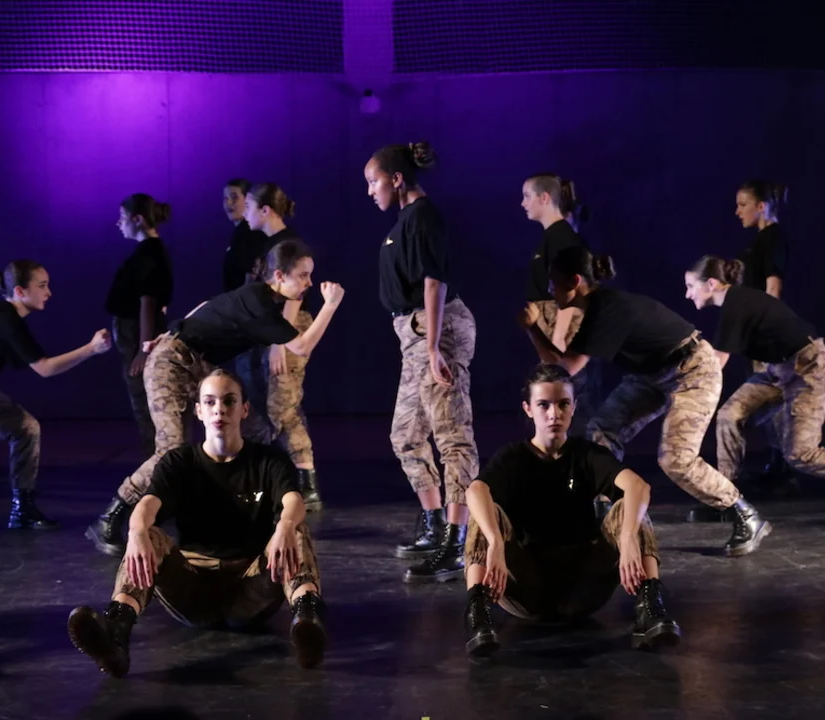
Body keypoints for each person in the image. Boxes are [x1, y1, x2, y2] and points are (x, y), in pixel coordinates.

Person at [86, 240, 344, 556]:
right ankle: (111, 515)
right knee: (171, 449)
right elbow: (302, 346)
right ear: (279, 275)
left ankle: (246, 504)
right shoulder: (259, 300)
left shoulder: (261, 300)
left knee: (246, 430)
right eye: (303, 275)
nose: (309, 283)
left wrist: (174, 330)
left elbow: (209, 305)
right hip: (172, 364)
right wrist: (330, 305)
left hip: (198, 366)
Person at [67, 370, 327, 676]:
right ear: (199, 411)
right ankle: (116, 634)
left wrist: (284, 525)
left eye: (229, 401)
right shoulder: (178, 462)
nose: (219, 410)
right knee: (148, 534)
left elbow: (293, 500)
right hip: (193, 590)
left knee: (294, 528)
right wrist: (136, 532)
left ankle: (308, 622)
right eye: (210, 402)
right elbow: (147, 505)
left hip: (251, 588)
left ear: (244, 409)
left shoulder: (268, 460)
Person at [518, 246, 767, 556]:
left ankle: (743, 512)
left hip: (693, 370)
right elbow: (561, 364)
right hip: (652, 375)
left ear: (575, 281)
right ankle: (606, 514)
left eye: (554, 282)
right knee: (602, 430)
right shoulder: (595, 309)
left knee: (676, 458)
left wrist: (532, 328)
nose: (550, 289)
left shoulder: (607, 308)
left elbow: (563, 369)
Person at [462, 364, 681, 657]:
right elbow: (475, 491)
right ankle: (478, 615)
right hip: (527, 590)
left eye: (563, 404)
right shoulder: (513, 457)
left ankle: (650, 607)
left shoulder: (586, 454)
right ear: (528, 409)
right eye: (544, 405)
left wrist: (628, 537)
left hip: (583, 589)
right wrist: (496, 543)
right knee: (483, 512)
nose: (554, 414)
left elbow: (638, 486)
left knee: (630, 508)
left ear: (574, 407)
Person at [365, 141, 479, 581]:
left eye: (374, 181)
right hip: (413, 335)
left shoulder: (424, 216)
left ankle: (458, 540)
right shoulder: (405, 220)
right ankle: (435, 526)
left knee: (452, 435)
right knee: (406, 435)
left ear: (396, 179)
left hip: (436, 330)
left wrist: (433, 347)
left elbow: (435, 283)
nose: (370, 190)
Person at [684, 256, 825, 491]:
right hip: (777, 371)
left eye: (691, 286)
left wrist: (682, 389)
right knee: (729, 416)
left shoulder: (736, 302)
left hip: (808, 371)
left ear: (711, 284)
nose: (688, 294)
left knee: (801, 454)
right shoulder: (735, 302)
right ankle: (727, 495)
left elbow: (716, 363)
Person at [0, 260, 112, 529]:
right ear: (20, 291)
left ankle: (23, 508)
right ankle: (22, 509)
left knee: (24, 428)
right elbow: (46, 368)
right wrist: (91, 349)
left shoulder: (8, 317)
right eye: (41, 286)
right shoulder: (7, 319)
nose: (48, 292)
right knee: (24, 428)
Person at [237, 183, 322, 511]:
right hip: (273, 330)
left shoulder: (289, 244)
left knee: (280, 406)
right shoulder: (269, 244)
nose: (244, 213)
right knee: (282, 405)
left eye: (249, 206)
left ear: (265, 210)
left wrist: (279, 341)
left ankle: (291, 482)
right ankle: (299, 481)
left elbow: (296, 294)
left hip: (288, 328)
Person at [520, 173, 597, 436]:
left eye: (527, 196)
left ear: (544, 198)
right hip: (549, 332)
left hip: (561, 336)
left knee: (572, 400)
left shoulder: (563, 238)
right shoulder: (552, 237)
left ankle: (585, 458)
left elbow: (573, 294)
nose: (523, 203)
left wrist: (559, 341)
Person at [733, 180, 794, 496]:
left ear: (761, 206)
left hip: (765, 335)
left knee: (772, 398)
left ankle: (786, 467)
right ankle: (778, 462)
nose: (737, 211)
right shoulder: (759, 240)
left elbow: (773, 288)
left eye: (743, 204)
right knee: (767, 399)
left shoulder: (772, 238)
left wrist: (767, 330)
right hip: (755, 334)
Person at [105, 193, 174, 458]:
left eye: (122, 217)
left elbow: (149, 302)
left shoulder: (150, 255)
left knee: (145, 403)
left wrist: (143, 350)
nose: (118, 223)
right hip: (133, 334)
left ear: (138, 219)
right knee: (143, 402)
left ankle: (156, 462)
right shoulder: (148, 253)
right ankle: (155, 460)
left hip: (137, 336)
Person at [221, 178, 267, 292]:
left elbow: (251, 276)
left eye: (234, 197)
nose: (228, 203)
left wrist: (243, 301)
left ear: (248, 200)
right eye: (226, 198)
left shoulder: (250, 232)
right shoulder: (240, 232)